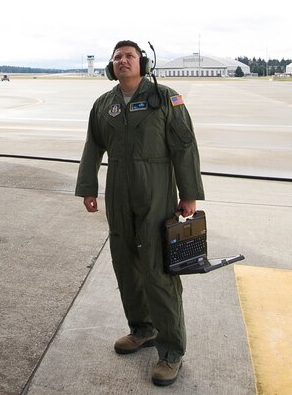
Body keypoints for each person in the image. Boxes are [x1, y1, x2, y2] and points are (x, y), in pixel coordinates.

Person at [76, 40, 205, 387]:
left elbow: (184, 146)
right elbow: (93, 146)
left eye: (129, 56)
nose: (122, 61)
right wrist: (88, 186)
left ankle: (171, 351)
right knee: (125, 264)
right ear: (111, 66)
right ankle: (142, 329)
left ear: (143, 62)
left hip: (157, 191)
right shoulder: (104, 105)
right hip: (118, 192)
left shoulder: (166, 98)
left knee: (158, 270)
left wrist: (189, 194)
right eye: (117, 57)